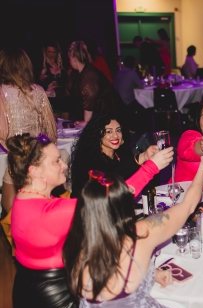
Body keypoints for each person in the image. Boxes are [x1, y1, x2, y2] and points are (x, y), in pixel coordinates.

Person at [9, 132, 174, 308]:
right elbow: (115, 199)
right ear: (34, 171)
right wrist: (151, 167)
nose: (64, 165)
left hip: (25, 289)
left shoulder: (22, 199)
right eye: (56, 161)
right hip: (57, 299)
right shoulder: (53, 211)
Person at [64, 155, 203, 308]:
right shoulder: (141, 234)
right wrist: (202, 170)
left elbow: (113, 271)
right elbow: (187, 206)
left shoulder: (75, 243)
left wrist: (153, 273)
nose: (132, 191)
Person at [0, 45, 58, 213]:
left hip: (16, 159)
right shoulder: (38, 91)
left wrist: (13, 149)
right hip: (37, 160)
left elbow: (2, 133)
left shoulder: (2, 92)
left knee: (10, 212)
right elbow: (51, 133)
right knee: (39, 208)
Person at [69, 112, 159, 197]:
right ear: (98, 135)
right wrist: (142, 157)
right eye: (109, 132)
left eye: (118, 130)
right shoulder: (89, 160)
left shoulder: (121, 155)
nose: (115, 136)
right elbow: (111, 178)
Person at [60, 41, 122, 126]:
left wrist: (86, 121)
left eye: (69, 58)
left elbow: (90, 98)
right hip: (97, 117)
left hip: (105, 116)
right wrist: (46, 93)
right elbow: (66, 91)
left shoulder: (89, 74)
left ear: (74, 58)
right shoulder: (76, 73)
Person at [113, 55, 145, 131]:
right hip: (126, 101)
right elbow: (141, 86)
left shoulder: (119, 72)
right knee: (144, 106)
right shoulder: (132, 73)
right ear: (134, 64)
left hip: (116, 100)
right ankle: (138, 128)